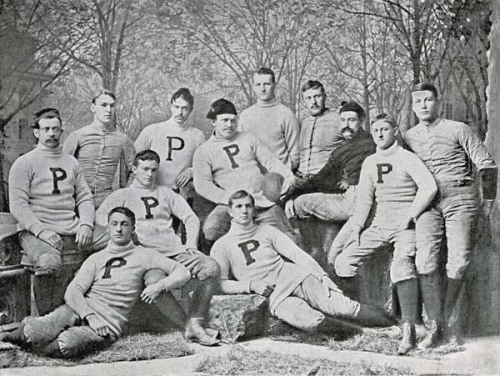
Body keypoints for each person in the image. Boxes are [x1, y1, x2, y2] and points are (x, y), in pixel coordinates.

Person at [0, 207, 190, 358]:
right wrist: (90, 315)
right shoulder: (97, 258)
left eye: (124, 224)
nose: (119, 229)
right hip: (79, 309)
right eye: (114, 224)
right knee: (33, 333)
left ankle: (37, 349)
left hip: (109, 322)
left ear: (133, 228)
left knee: (66, 345)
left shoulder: (146, 255)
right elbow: (72, 292)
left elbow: (183, 271)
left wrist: (159, 286)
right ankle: (6, 337)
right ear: (107, 228)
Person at [210, 190, 395, 335]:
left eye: (248, 206)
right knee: (309, 320)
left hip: (296, 277)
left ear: (254, 209)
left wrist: (322, 277)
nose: (244, 210)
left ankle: (398, 324)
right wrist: (250, 285)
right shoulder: (222, 245)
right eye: (239, 206)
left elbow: (297, 255)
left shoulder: (267, 231)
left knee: (343, 307)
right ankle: (361, 333)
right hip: (275, 295)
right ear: (230, 211)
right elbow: (220, 284)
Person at [334, 114, 437, 354]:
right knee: (343, 262)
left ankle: (410, 328)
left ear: (395, 131)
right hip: (379, 224)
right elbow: (365, 200)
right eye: (376, 130)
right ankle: (365, 321)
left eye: (385, 129)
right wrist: (357, 228)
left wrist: (411, 215)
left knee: (401, 266)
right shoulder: (370, 162)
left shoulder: (407, 158)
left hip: (405, 226)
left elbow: (429, 187)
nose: (380, 134)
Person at [404, 82, 498, 348]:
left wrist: (488, 205)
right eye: (418, 101)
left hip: (460, 197)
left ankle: (447, 323)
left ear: (437, 102)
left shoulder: (458, 129)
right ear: (412, 106)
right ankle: (437, 325)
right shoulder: (408, 137)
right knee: (425, 262)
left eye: (428, 100)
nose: (423, 105)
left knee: (458, 262)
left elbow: (487, 166)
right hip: (427, 201)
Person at [96, 150, 220, 346]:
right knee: (155, 281)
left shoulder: (165, 193)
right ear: (134, 169)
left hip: (174, 252)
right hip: (147, 257)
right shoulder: (122, 195)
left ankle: (195, 320)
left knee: (211, 267)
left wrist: (191, 245)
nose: (149, 174)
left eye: (154, 170)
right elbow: (102, 220)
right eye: (144, 169)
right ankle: (186, 326)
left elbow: (190, 218)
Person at [8, 108, 109, 314]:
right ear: (37, 132)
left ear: (61, 131)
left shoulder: (71, 162)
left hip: (71, 225)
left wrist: (86, 225)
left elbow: (84, 197)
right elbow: (18, 205)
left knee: (119, 241)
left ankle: (98, 305)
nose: (51, 134)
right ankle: (47, 320)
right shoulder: (24, 162)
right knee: (49, 263)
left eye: (55, 129)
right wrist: (42, 231)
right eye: (46, 129)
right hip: (36, 230)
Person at [193, 98, 296, 248]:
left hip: (261, 201)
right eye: (225, 120)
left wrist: (288, 177)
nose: (230, 125)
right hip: (230, 204)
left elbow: (271, 161)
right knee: (211, 231)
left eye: (233, 120)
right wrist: (227, 198)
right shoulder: (204, 150)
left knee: (289, 240)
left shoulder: (248, 138)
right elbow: (202, 184)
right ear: (213, 122)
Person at [285, 102, 375, 263]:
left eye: (352, 120)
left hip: (365, 202)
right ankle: (313, 249)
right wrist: (292, 196)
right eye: (343, 120)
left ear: (362, 121)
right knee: (299, 203)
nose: (346, 125)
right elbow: (322, 178)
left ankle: (323, 255)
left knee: (335, 256)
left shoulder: (373, 143)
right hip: (347, 198)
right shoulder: (340, 150)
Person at [63, 91, 136, 208]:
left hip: (107, 200)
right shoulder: (78, 135)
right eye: (104, 105)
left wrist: (125, 193)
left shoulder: (123, 139)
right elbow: (63, 167)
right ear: (93, 108)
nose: (108, 110)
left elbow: (135, 170)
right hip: (77, 198)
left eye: (112, 106)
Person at [134, 88, 205, 200]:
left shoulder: (197, 135)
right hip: (152, 192)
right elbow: (133, 160)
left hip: (180, 196)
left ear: (191, 110)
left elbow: (204, 164)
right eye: (176, 107)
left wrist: (191, 171)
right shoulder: (152, 130)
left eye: (185, 108)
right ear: (171, 106)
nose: (180, 112)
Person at [239, 67, 300, 170]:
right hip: (252, 177)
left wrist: (285, 174)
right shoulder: (245, 116)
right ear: (253, 87)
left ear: (274, 85)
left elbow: (295, 155)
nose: (262, 89)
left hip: (279, 177)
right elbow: (240, 151)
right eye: (258, 84)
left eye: (267, 84)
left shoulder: (286, 114)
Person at [296, 80, 343, 183]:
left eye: (317, 96)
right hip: (300, 179)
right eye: (309, 98)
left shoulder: (339, 120)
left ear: (325, 96)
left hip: (325, 181)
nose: (313, 102)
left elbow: (356, 146)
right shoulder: (302, 124)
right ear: (304, 101)